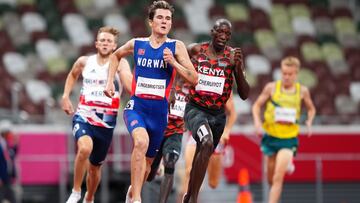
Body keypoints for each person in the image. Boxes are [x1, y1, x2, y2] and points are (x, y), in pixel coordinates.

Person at [104, 1, 198, 202]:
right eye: (160, 18)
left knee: (147, 167)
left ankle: (132, 194)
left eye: (168, 18)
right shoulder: (137, 44)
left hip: (160, 114)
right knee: (141, 141)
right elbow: (115, 56)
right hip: (137, 107)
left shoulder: (176, 46)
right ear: (151, 22)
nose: (164, 22)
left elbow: (194, 78)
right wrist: (110, 81)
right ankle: (137, 198)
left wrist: (173, 62)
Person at [61, 26, 132, 203]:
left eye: (109, 41)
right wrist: (65, 96)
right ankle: (76, 191)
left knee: (94, 168)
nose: (105, 43)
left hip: (106, 123)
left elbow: (128, 83)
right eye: (102, 40)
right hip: (84, 115)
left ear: (115, 45)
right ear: (96, 43)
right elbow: (72, 75)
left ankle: (89, 197)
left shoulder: (120, 63)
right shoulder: (84, 61)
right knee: (84, 148)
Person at [182, 18, 250, 203]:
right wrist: (174, 88)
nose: (224, 36)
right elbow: (178, 65)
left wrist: (238, 67)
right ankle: (194, 198)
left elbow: (244, 94)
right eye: (220, 32)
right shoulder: (196, 50)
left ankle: (188, 195)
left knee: (203, 156)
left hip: (218, 116)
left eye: (227, 34)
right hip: (195, 109)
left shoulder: (232, 57)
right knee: (205, 142)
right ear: (212, 31)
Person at [252, 56, 316, 203]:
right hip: (271, 137)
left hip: (288, 139)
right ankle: (287, 164)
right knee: (270, 178)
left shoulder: (302, 91)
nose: (286, 77)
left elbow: (312, 109)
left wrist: (309, 121)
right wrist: (257, 122)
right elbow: (256, 106)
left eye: (290, 74)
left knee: (277, 177)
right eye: (284, 73)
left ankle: (287, 162)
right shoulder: (272, 88)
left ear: (296, 74)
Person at [180, 93, 236, 199]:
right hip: (198, 132)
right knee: (189, 171)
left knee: (213, 183)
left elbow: (232, 113)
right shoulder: (196, 81)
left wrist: (227, 131)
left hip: (215, 133)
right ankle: (192, 198)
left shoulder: (224, 84)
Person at [146, 75, 190, 203]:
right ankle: (157, 166)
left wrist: (189, 118)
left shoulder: (192, 86)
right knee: (149, 176)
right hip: (158, 129)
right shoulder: (165, 79)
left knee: (170, 163)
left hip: (175, 133)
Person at [0, 120, 18, 203]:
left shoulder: (6, 144)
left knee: (13, 198)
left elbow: (11, 156)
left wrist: (16, 145)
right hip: (2, 179)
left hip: (7, 178)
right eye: (8, 132)